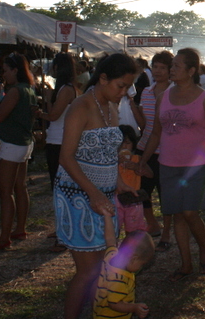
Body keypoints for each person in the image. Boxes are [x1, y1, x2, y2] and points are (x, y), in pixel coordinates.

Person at [54, 53, 140, 319]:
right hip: (77, 198)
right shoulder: (80, 107)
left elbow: (106, 155)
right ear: (103, 79)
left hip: (102, 199)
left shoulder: (111, 106)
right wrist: (92, 192)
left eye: (128, 87)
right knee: (88, 271)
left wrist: (118, 184)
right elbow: (66, 157)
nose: (124, 93)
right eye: (120, 86)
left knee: (103, 266)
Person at [139, 48, 205, 281]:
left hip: (195, 166)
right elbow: (155, 134)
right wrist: (142, 161)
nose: (172, 70)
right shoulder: (163, 97)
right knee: (177, 214)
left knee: (190, 212)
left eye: (177, 66)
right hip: (168, 164)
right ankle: (186, 264)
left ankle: (204, 250)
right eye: (172, 66)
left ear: (191, 71)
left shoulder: (204, 99)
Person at [0, 54, 38, 251]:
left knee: (5, 191)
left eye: (5, 70)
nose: (3, 75)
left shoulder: (15, 91)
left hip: (11, 142)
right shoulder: (28, 89)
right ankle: (19, 228)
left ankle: (4, 237)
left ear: (15, 70)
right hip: (24, 141)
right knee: (20, 187)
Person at [40, 53, 80, 252]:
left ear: (58, 68)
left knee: (62, 189)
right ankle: (61, 229)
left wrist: (40, 111)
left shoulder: (66, 90)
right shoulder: (67, 89)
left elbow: (54, 115)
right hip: (57, 140)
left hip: (60, 142)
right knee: (59, 188)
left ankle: (65, 234)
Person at [137, 51, 174, 248]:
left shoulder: (174, 94)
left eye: (162, 67)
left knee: (165, 194)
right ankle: (152, 223)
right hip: (145, 148)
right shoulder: (146, 92)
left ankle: (167, 233)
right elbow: (144, 125)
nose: (157, 71)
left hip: (167, 151)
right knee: (141, 190)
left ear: (170, 71)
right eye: (155, 66)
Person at [93, 208, 154, 319]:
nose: (141, 267)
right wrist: (134, 308)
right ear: (134, 259)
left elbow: (110, 238)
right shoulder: (118, 279)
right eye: (142, 264)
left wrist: (107, 215)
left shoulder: (111, 255)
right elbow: (114, 304)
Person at [115, 125, 146, 235]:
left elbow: (150, 174)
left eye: (127, 143)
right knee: (114, 228)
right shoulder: (111, 160)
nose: (124, 146)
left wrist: (137, 167)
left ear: (133, 144)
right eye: (120, 143)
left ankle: (132, 250)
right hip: (115, 198)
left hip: (133, 199)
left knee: (134, 230)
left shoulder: (137, 159)